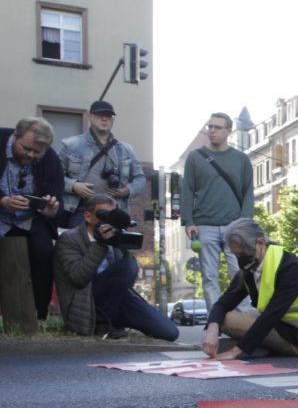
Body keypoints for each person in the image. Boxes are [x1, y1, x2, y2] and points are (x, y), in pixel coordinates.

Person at [53, 194, 178, 341]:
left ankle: (111, 322)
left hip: (118, 299)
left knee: (169, 332)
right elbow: (78, 278)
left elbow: (123, 277)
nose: (109, 221)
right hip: (87, 300)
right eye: (104, 215)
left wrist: (120, 240)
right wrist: (100, 244)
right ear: (87, 216)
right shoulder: (69, 239)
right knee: (127, 266)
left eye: (113, 216)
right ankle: (101, 323)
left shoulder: (115, 235)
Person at [201, 218, 298, 360]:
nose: (240, 260)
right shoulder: (249, 270)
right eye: (236, 255)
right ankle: (259, 347)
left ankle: (285, 349)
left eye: (243, 254)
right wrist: (212, 330)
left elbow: (270, 317)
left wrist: (235, 351)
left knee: (229, 321)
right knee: (222, 318)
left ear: (260, 243)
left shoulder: (291, 268)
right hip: (280, 325)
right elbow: (223, 303)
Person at [181, 112, 254, 312]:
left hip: (234, 227)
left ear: (228, 131)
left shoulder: (241, 159)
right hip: (205, 225)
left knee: (239, 274)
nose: (212, 131)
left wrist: (244, 222)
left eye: (217, 127)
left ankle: (244, 318)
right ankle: (216, 320)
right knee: (209, 277)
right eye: (210, 127)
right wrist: (188, 221)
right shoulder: (195, 157)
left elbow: (248, 192)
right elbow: (187, 190)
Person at [0, 117, 64, 320]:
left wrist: (51, 209)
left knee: (44, 251)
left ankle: (39, 314)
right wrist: (3, 201)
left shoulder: (50, 158)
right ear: (15, 136)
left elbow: (57, 195)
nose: (30, 154)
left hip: (31, 218)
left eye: (37, 152)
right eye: (26, 148)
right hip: (1, 212)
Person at [58, 101, 146, 229]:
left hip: (114, 211)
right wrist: (74, 186)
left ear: (113, 120)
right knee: (78, 241)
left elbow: (140, 178)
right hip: (82, 210)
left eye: (108, 116)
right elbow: (55, 177)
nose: (104, 118)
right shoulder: (71, 145)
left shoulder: (125, 149)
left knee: (115, 242)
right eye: (100, 114)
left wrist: (127, 190)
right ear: (90, 116)